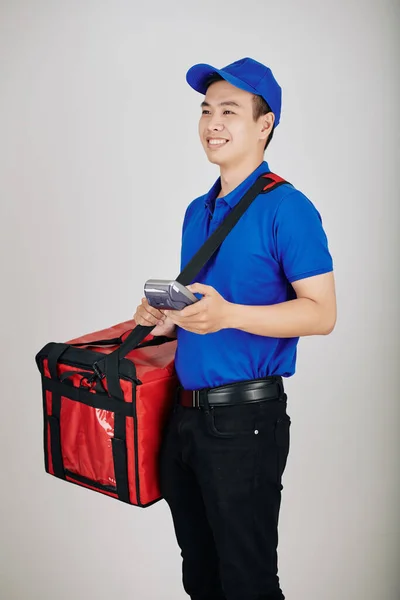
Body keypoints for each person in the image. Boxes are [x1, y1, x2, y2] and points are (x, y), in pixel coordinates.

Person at [133, 57, 336, 600]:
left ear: (263, 125)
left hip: (244, 421)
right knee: (201, 578)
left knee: (246, 582)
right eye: (205, 110)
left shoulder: (288, 208)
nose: (212, 123)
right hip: (184, 418)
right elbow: (201, 314)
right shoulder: (196, 210)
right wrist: (161, 319)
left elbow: (322, 312)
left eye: (229, 111)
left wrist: (230, 314)